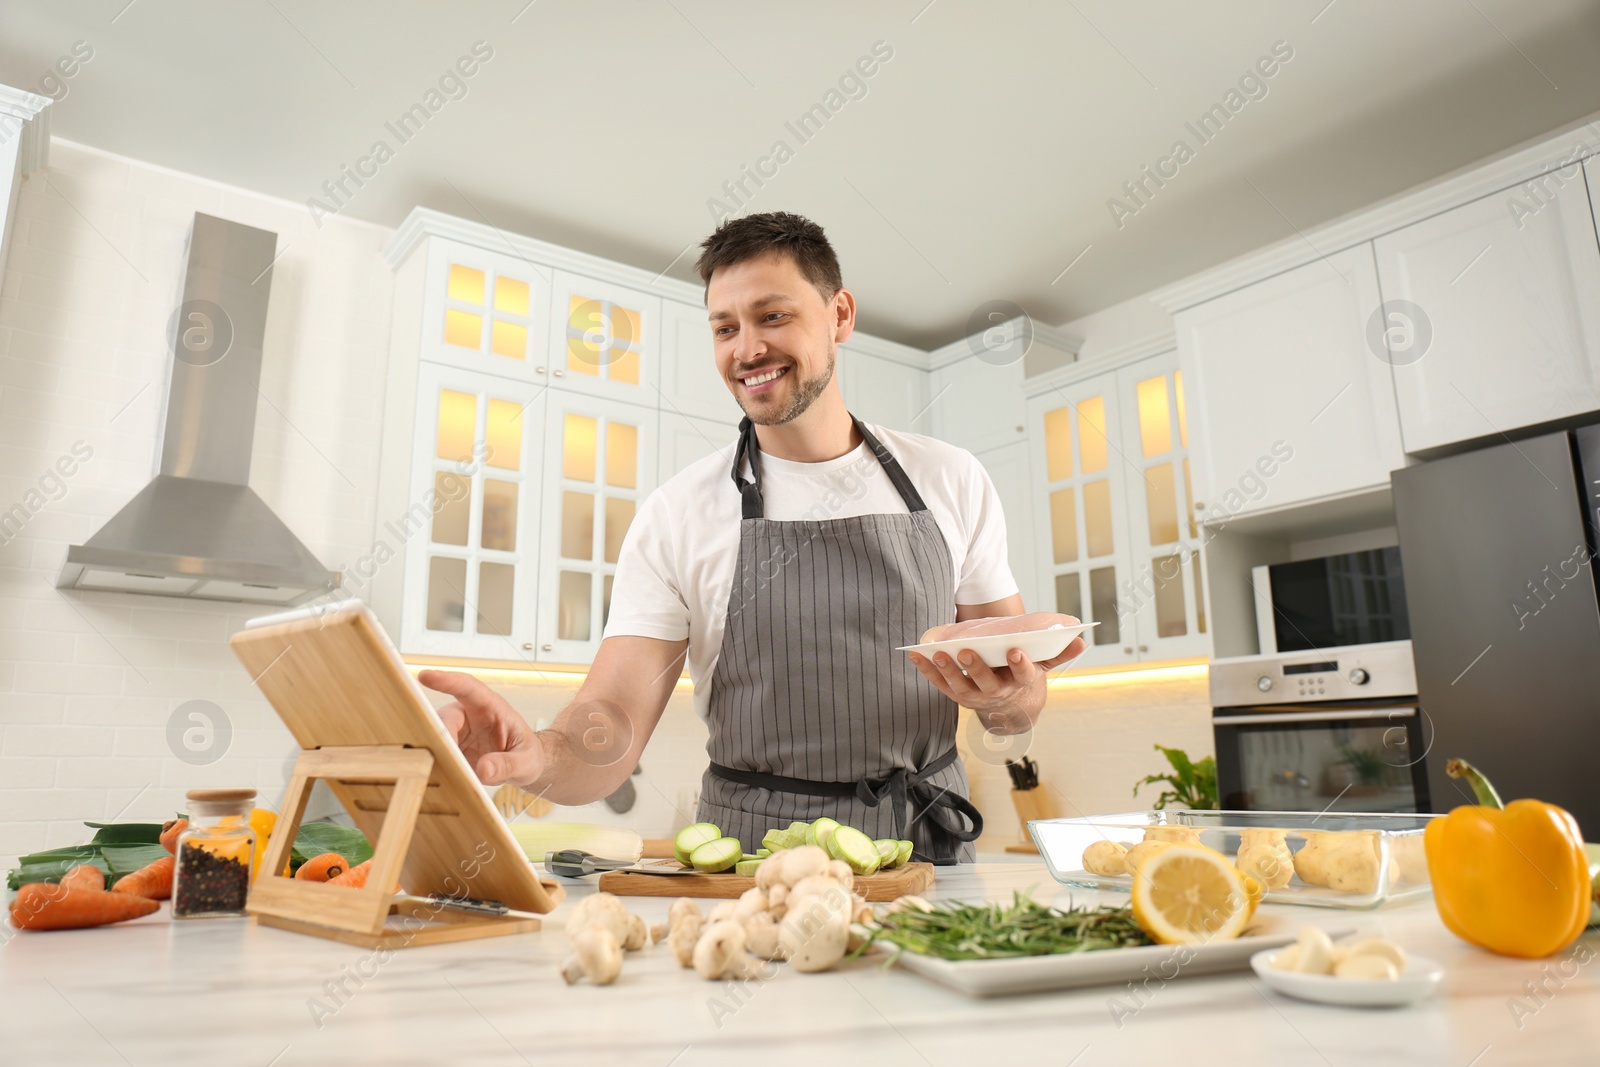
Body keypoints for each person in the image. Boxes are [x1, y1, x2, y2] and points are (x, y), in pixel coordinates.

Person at [420, 212, 1084, 863]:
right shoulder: (677, 513)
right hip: (748, 869)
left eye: (773, 316)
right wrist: (539, 756)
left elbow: (1015, 696)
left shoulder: (950, 478)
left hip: (926, 859)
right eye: (724, 327)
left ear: (841, 315)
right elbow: (611, 718)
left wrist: (1012, 699)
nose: (746, 349)